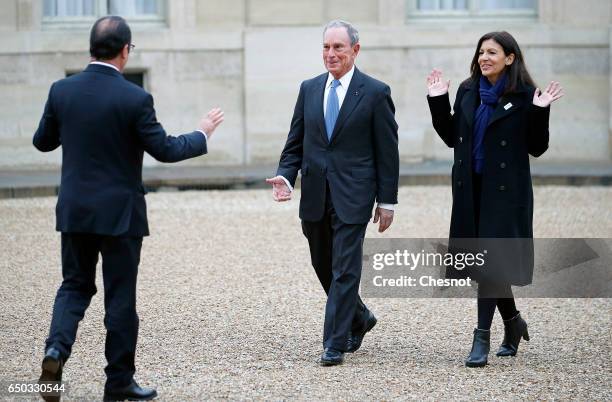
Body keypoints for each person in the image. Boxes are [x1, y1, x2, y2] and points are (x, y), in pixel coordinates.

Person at [33, 16, 224, 401]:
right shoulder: (135, 98)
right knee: (120, 299)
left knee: (74, 286)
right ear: (125, 51)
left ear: (91, 48)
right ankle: (118, 382)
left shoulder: (61, 90)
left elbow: (42, 142)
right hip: (121, 215)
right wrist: (202, 132)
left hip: (75, 211)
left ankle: (56, 351)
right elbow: (167, 150)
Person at [426, 31, 563, 367]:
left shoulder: (526, 95)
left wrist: (540, 111)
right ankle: (513, 322)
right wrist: (438, 100)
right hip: (471, 190)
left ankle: (481, 337)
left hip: (505, 194)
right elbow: (451, 137)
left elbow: (536, 147)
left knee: (488, 263)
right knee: (487, 264)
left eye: (492, 52)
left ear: (510, 58)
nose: (484, 58)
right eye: (481, 52)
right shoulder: (468, 90)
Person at [266, 20, 399, 366]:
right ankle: (360, 317)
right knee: (322, 264)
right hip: (314, 193)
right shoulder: (309, 89)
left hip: (354, 195)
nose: (330, 54)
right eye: (326, 47)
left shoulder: (375, 92)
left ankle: (334, 342)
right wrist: (284, 176)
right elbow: (295, 143)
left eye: (338, 47)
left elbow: (388, 151)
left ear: (355, 50)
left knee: (344, 268)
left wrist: (387, 201)